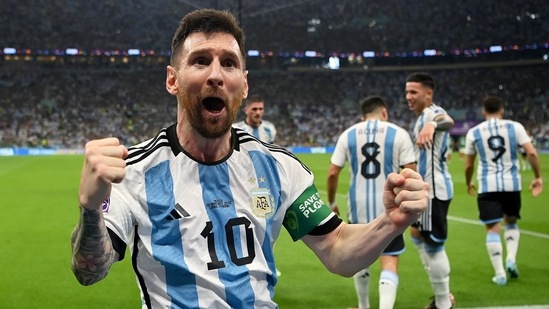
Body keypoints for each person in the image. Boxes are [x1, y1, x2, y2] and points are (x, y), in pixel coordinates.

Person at [70, 9, 429, 309]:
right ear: (172, 80)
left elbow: (337, 250)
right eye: (199, 61)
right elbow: (90, 270)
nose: (215, 75)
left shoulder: (279, 168)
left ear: (243, 84)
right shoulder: (135, 171)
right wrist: (90, 207)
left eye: (228, 63)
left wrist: (391, 222)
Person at [327, 96, 417, 309]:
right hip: (390, 209)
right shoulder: (398, 133)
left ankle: (364, 306)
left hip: (357, 207)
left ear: (363, 115)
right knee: (390, 259)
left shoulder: (348, 134)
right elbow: (411, 173)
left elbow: (332, 173)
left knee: (360, 256)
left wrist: (332, 202)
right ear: (384, 112)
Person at [463, 96, 543, 286]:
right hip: (512, 184)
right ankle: (511, 260)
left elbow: (468, 165)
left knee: (492, 227)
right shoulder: (515, 127)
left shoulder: (474, 132)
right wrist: (537, 177)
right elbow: (531, 152)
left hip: (487, 184)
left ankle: (500, 274)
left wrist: (468, 182)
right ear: (502, 110)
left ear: (484, 112)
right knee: (512, 222)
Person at [405, 72, 455, 309]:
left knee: (433, 245)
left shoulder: (431, 113)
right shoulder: (420, 118)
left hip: (433, 192)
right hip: (426, 190)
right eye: (407, 92)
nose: (408, 97)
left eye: (413, 92)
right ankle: (441, 293)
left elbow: (448, 120)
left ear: (428, 94)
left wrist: (433, 124)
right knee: (416, 235)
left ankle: (444, 302)